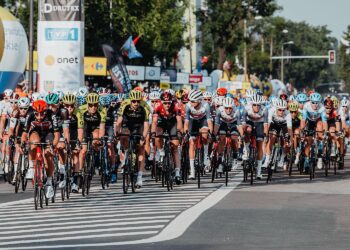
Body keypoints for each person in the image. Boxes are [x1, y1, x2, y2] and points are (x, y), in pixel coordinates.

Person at [20, 100, 60, 199]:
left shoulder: (52, 115)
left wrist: (53, 146)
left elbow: (57, 134)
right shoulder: (29, 115)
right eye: (37, 114)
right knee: (33, 143)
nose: (39, 117)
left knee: (48, 155)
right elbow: (24, 133)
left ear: (46, 112)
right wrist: (22, 143)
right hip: (36, 132)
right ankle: (31, 167)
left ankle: (49, 182)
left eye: (42, 114)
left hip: (48, 134)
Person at [115, 90, 150, 188]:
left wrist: (143, 137)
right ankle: (126, 153)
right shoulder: (124, 105)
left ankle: (139, 177)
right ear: (130, 101)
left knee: (141, 149)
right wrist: (117, 133)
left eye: (138, 101)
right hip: (127, 124)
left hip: (139, 126)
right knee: (124, 135)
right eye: (134, 101)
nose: (136, 103)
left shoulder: (145, 106)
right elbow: (119, 122)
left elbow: (146, 125)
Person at [151, 91, 183, 184]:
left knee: (175, 147)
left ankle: (177, 173)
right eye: (165, 103)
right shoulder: (157, 105)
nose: (167, 105)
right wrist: (153, 132)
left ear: (171, 102)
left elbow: (179, 121)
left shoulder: (176, 105)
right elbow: (154, 122)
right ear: (161, 102)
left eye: (169, 103)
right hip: (162, 123)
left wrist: (179, 132)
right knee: (157, 134)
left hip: (173, 123)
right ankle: (161, 151)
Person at [184, 90, 213, 180]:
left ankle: (205, 156)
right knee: (192, 142)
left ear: (199, 100)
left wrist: (210, 133)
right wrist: (186, 133)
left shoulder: (206, 105)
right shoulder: (188, 106)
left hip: (203, 120)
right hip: (193, 121)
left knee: (205, 135)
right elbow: (186, 122)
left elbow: (209, 121)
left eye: (193, 101)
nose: (191, 102)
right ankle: (192, 171)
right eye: (190, 100)